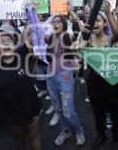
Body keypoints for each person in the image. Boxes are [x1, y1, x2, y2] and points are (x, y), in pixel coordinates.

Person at [0, 2, 42, 150]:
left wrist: (32, 14)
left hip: (30, 103)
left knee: (34, 135)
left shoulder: (22, 53)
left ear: (15, 45)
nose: (6, 44)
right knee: (18, 137)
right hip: (9, 109)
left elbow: (37, 35)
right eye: (2, 42)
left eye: (9, 41)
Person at [78, 1, 118, 149]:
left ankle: (115, 136)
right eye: (92, 21)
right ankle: (101, 134)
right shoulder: (88, 39)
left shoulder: (110, 39)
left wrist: (109, 14)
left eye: (98, 20)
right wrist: (84, 35)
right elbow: (78, 49)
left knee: (114, 111)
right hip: (94, 81)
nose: (95, 23)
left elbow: (117, 34)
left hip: (111, 81)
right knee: (98, 110)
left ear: (104, 23)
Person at [45, 15, 85, 147]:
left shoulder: (69, 37)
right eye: (53, 22)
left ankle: (79, 130)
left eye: (58, 21)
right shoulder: (50, 37)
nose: (55, 24)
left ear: (63, 24)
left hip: (65, 76)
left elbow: (82, 37)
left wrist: (74, 16)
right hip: (50, 76)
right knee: (58, 108)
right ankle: (65, 131)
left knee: (68, 109)